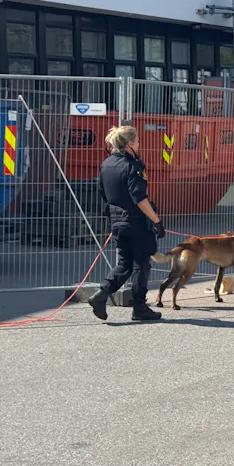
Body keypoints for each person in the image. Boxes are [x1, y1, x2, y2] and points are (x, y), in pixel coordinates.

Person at [88, 126, 166, 321]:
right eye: (137, 141)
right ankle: (139, 307)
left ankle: (102, 294)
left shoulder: (107, 164)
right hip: (136, 221)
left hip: (116, 221)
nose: (139, 144)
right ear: (130, 144)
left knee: (124, 264)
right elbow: (140, 197)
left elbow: (103, 193)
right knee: (141, 264)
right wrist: (156, 220)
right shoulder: (132, 165)